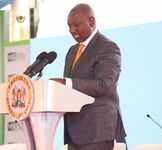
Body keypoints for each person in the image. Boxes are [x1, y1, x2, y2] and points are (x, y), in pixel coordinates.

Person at [50, 3, 126, 150]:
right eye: (69, 26)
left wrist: (66, 83)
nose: (72, 30)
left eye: (76, 25)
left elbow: (104, 86)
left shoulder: (107, 47)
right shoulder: (72, 51)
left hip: (97, 129)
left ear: (91, 22)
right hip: (74, 130)